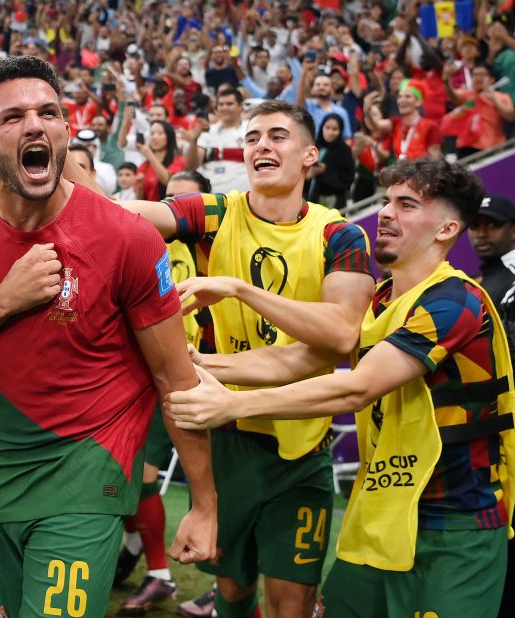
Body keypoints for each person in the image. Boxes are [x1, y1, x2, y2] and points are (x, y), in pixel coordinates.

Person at [0, 56, 218, 618]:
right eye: (14, 116)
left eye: (49, 112)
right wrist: (2, 299)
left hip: (85, 477)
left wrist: (204, 502)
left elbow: (176, 377)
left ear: (65, 131)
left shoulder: (127, 238)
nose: (35, 125)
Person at [166, 158, 514, 618]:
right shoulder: (379, 300)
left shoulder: (455, 300)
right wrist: (206, 362)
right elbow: (300, 358)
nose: (386, 213)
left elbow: (357, 389)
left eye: (406, 204)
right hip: (380, 512)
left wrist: (230, 402)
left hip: (455, 523)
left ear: (448, 228)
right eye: (387, 201)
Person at [102, 100, 373, 618]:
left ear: (310, 154)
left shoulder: (340, 234)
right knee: (230, 589)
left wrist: (238, 289)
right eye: (252, 138)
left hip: (301, 447)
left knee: (291, 602)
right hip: (227, 440)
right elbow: (134, 215)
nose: (261, 146)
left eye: (276, 136)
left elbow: (341, 334)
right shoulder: (218, 211)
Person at [115, 171, 206, 615]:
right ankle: (143, 554)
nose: (175, 209)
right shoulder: (147, 243)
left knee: (147, 476)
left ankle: (165, 574)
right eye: (169, 199)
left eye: (186, 200)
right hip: (146, 378)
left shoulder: (211, 250)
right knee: (130, 475)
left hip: (194, 378)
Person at [467, 194, 515, 618]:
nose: (482, 233)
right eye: (476, 225)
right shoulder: (477, 283)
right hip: (491, 432)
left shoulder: (510, 281)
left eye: (492, 225)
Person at [185, 88, 248, 195]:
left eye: (229, 104)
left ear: (240, 106)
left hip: (241, 196)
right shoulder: (207, 131)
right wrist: (193, 140)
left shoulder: (250, 129)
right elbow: (192, 167)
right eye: (221, 104)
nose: (224, 107)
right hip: (210, 196)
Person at [306, 113, 355, 211]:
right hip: (309, 197)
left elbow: (347, 179)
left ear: (340, 131)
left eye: (334, 129)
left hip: (333, 202)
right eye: (327, 127)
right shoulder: (314, 146)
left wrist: (325, 172)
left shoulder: (344, 151)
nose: (330, 132)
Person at [136, 120, 184, 201]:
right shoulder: (145, 166)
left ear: (169, 136)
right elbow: (140, 199)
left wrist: (149, 154)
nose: (154, 137)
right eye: (152, 133)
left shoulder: (178, 161)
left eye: (160, 133)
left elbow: (168, 181)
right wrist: (139, 188)